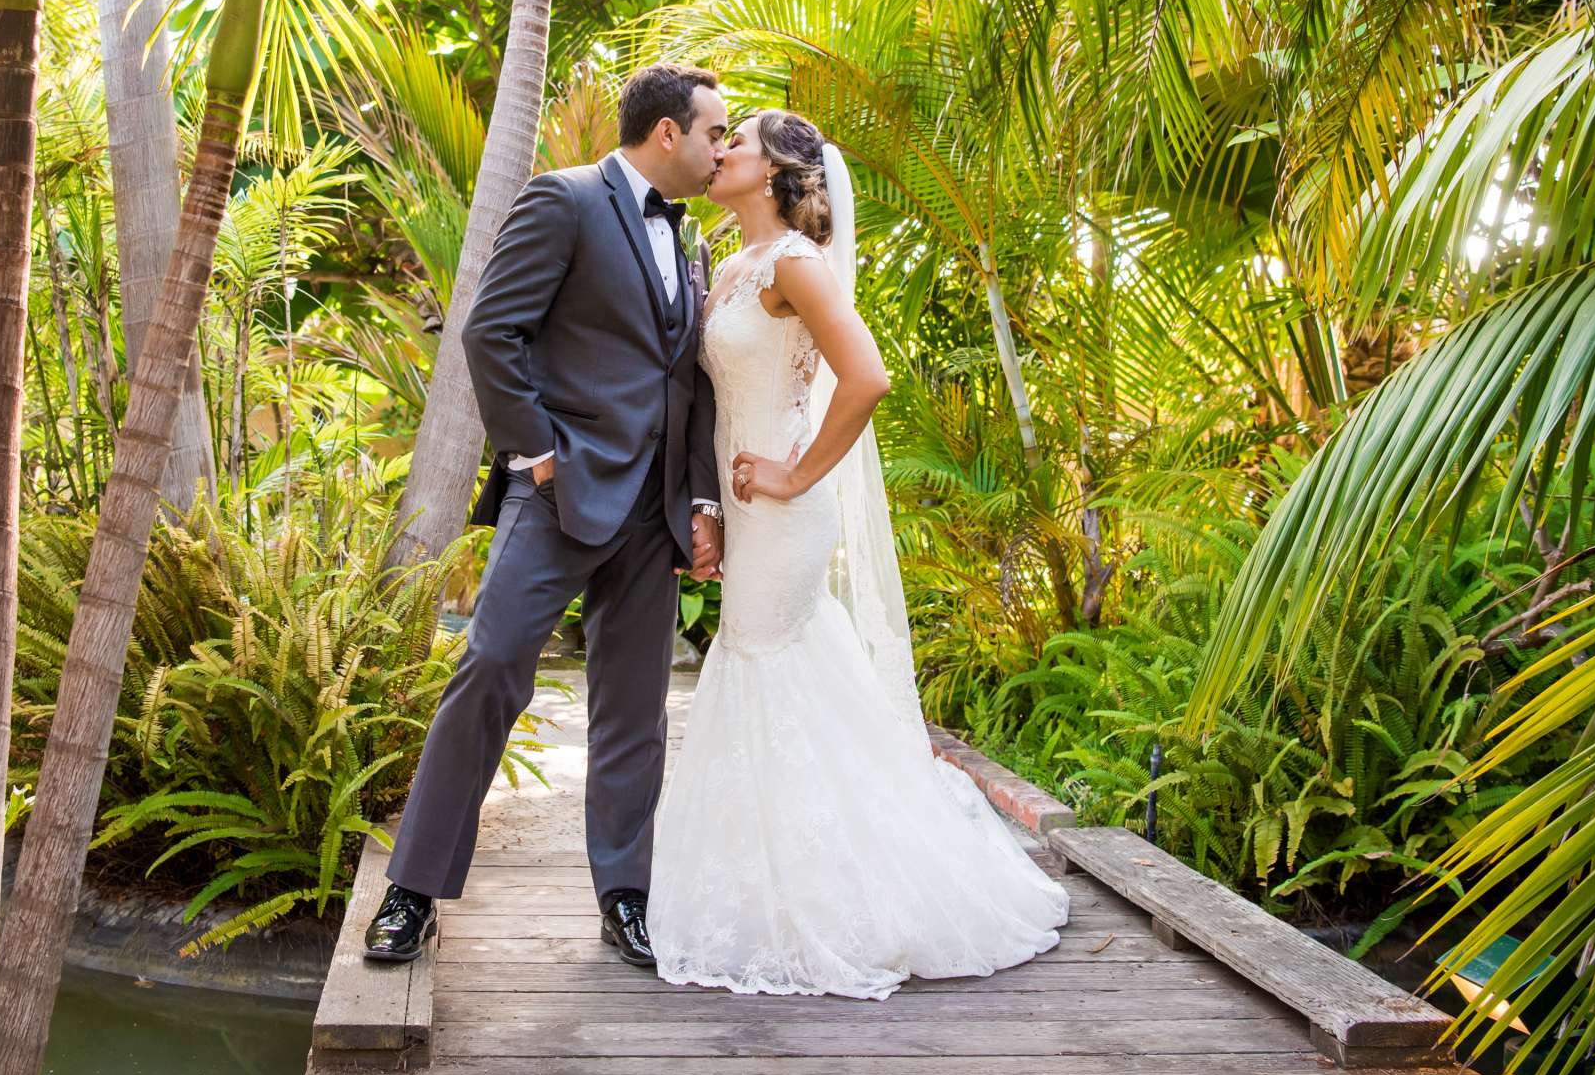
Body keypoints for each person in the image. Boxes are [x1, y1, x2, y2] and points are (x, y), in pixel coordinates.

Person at [647, 108, 1070, 998]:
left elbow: (867, 377)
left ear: (771, 176)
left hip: (786, 510)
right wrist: (712, 505)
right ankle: (774, 883)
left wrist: (796, 477)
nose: (719, 151)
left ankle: (830, 897)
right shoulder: (730, 268)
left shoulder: (795, 267)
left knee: (766, 665)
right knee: (779, 671)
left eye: (738, 144)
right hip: (743, 507)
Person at [363, 63, 730, 969]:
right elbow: (492, 329)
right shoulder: (562, 201)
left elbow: (686, 385)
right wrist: (534, 453)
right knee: (489, 667)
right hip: (559, 494)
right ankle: (413, 891)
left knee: (635, 711)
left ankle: (626, 896)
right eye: (715, 131)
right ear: (667, 134)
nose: (723, 149)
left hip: (652, 514)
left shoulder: (695, 250)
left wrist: (697, 499)